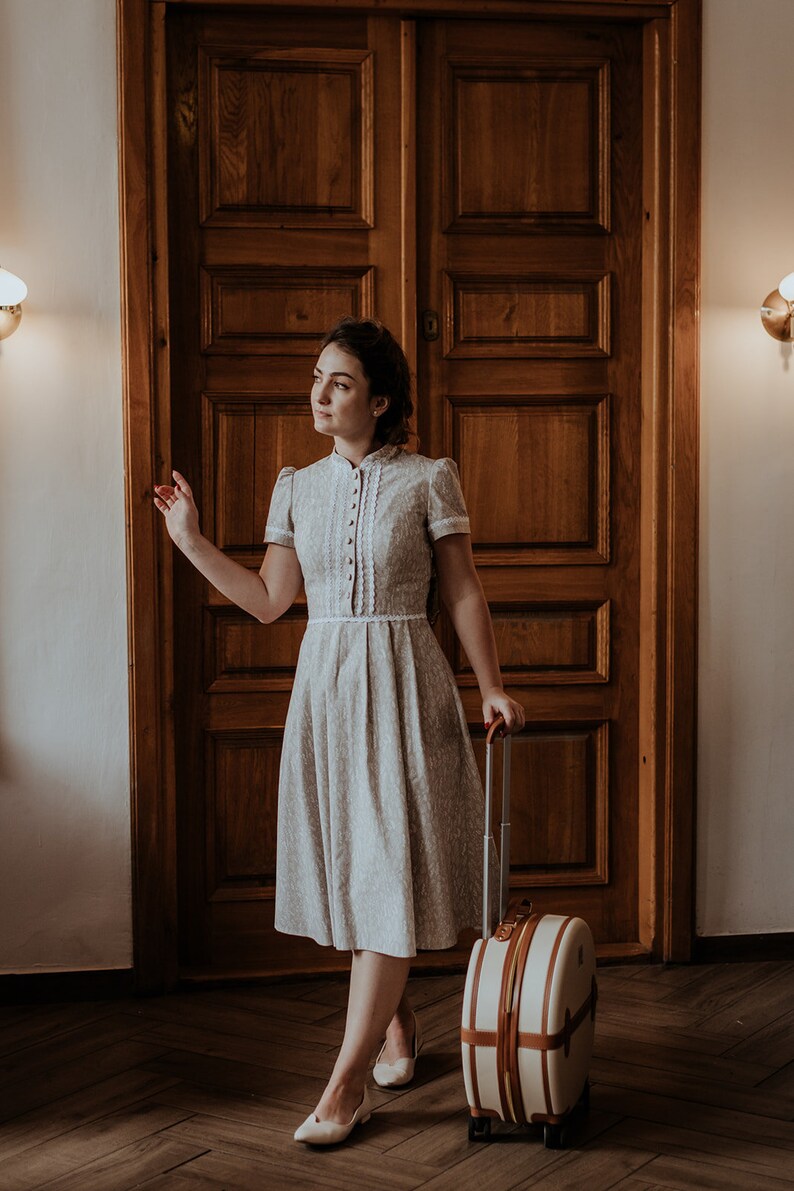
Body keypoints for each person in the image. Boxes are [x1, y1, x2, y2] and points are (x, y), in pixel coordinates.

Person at [154, 316, 525, 1146]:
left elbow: (462, 589)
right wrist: (189, 539)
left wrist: (491, 686)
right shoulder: (296, 485)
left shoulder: (430, 478)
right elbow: (267, 599)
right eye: (317, 376)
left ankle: (346, 1083)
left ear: (381, 398)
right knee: (354, 873)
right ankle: (394, 1022)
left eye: (342, 382)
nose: (319, 392)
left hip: (406, 684)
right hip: (325, 690)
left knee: (390, 872)